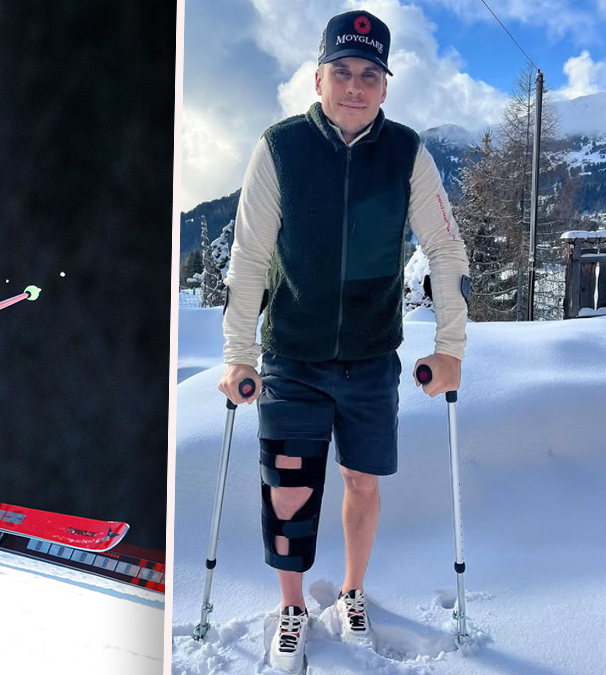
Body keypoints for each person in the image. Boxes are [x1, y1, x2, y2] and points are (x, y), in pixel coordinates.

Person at [215, 10, 470, 671]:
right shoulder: (280, 148)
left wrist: (451, 347)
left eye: (368, 74)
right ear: (319, 76)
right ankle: (293, 604)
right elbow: (247, 258)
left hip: (369, 356)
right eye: (342, 72)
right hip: (292, 354)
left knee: (361, 480)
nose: (354, 86)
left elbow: (443, 247)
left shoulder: (407, 154)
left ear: (384, 85)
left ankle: (353, 591)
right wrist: (238, 353)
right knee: (290, 487)